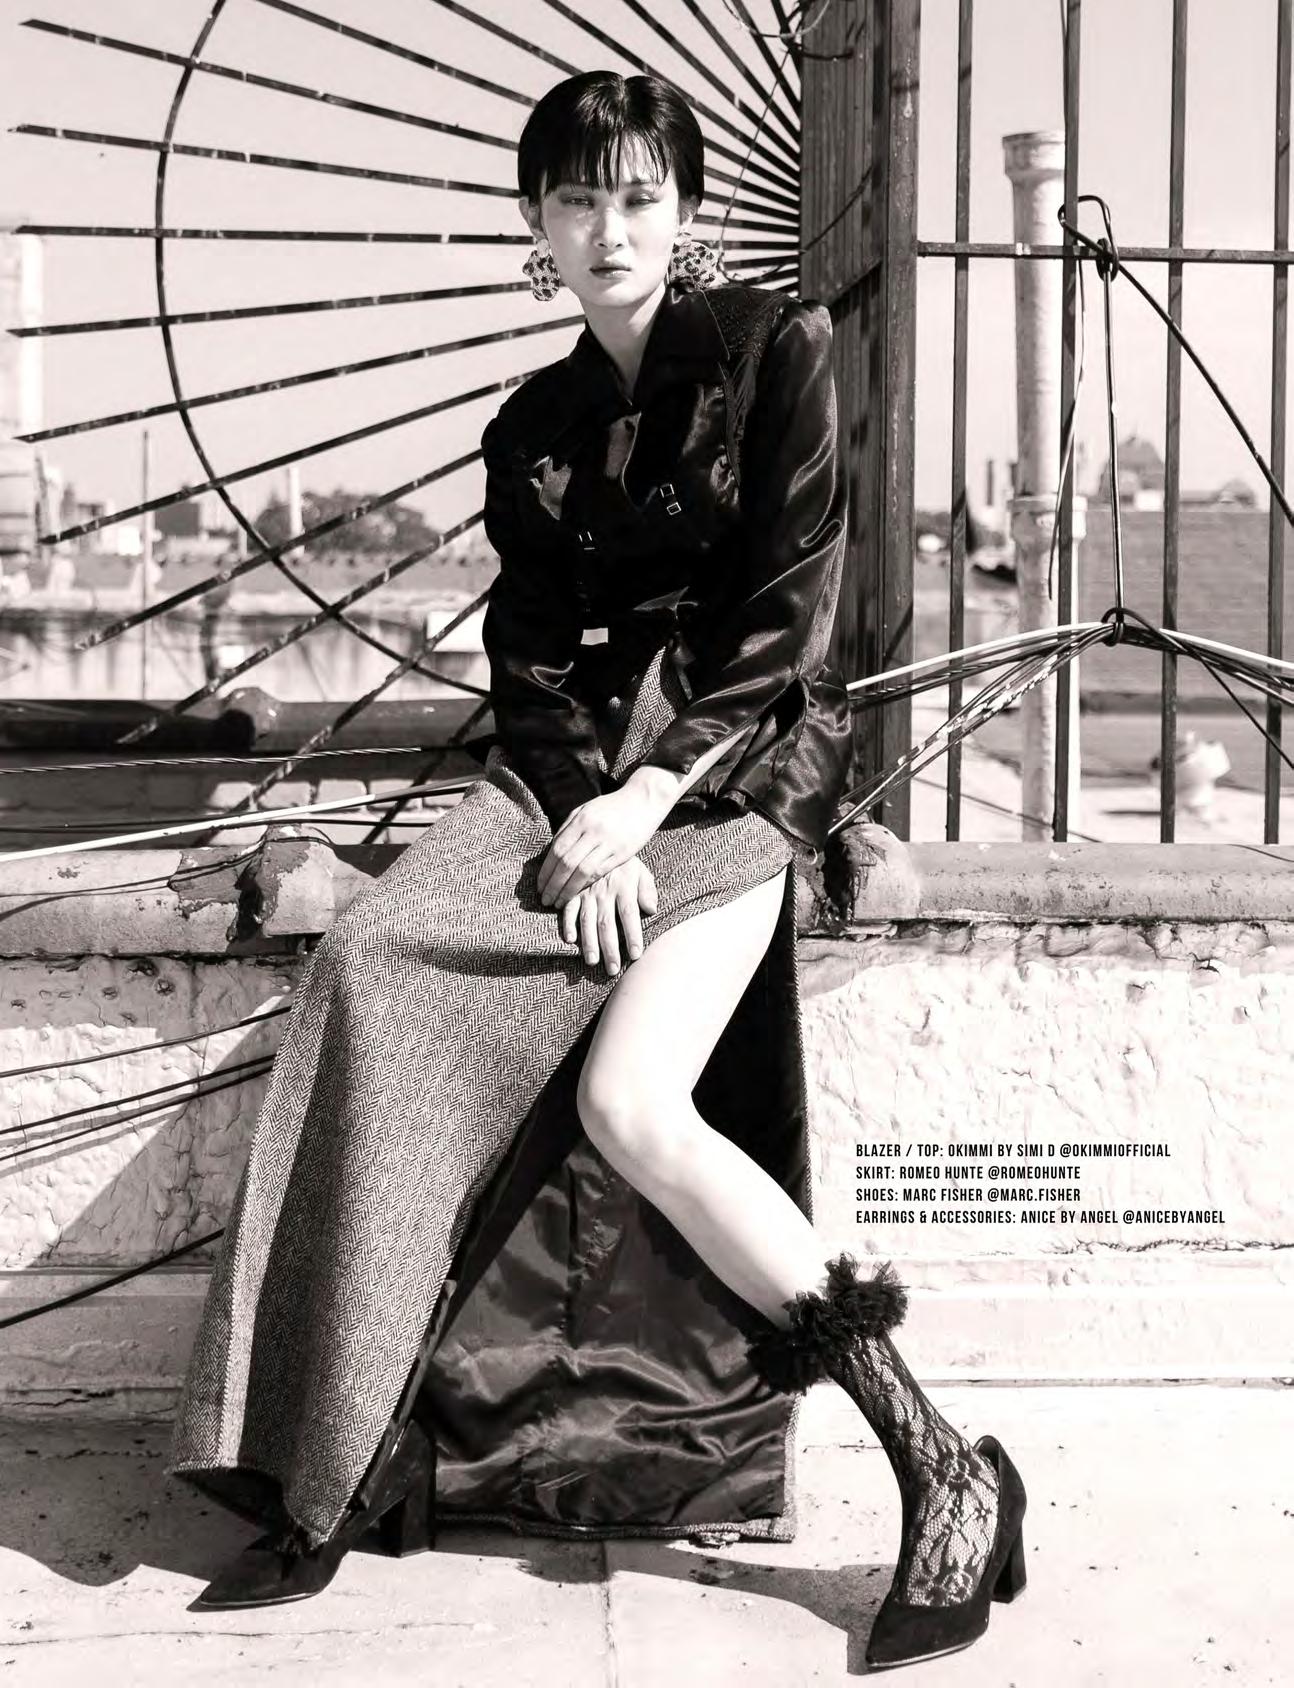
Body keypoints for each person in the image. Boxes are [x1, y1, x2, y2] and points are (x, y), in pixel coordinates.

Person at [164, 69, 1026, 1671]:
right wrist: (578, 814)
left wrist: (644, 799)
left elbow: (786, 619)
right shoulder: (532, 427)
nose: (608, 228)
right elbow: (531, 665)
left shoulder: (779, 349)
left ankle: (945, 1465)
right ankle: (321, 1451)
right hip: (569, 789)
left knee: (635, 1106)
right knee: (370, 965)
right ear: (535, 223)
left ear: (684, 212)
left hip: (743, 767)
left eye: (638, 197)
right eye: (576, 199)